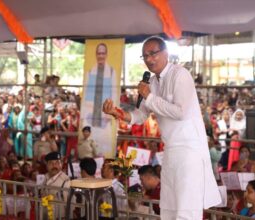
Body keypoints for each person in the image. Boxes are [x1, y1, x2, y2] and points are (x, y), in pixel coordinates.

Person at [103, 36, 221, 219]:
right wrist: (116, 113)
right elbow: (139, 116)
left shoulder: (180, 74)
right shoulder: (151, 83)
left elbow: (180, 112)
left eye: (153, 53)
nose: (149, 59)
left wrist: (149, 97)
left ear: (166, 53)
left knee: (186, 210)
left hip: (190, 151)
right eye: (145, 56)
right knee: (169, 208)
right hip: (171, 151)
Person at [82, 43, 118, 128]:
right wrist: (83, 116)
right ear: (96, 55)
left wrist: (112, 115)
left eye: (103, 53)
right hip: (90, 116)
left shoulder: (112, 72)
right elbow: (85, 96)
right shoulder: (89, 73)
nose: (101, 56)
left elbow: (114, 94)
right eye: (99, 53)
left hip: (105, 118)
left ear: (106, 54)